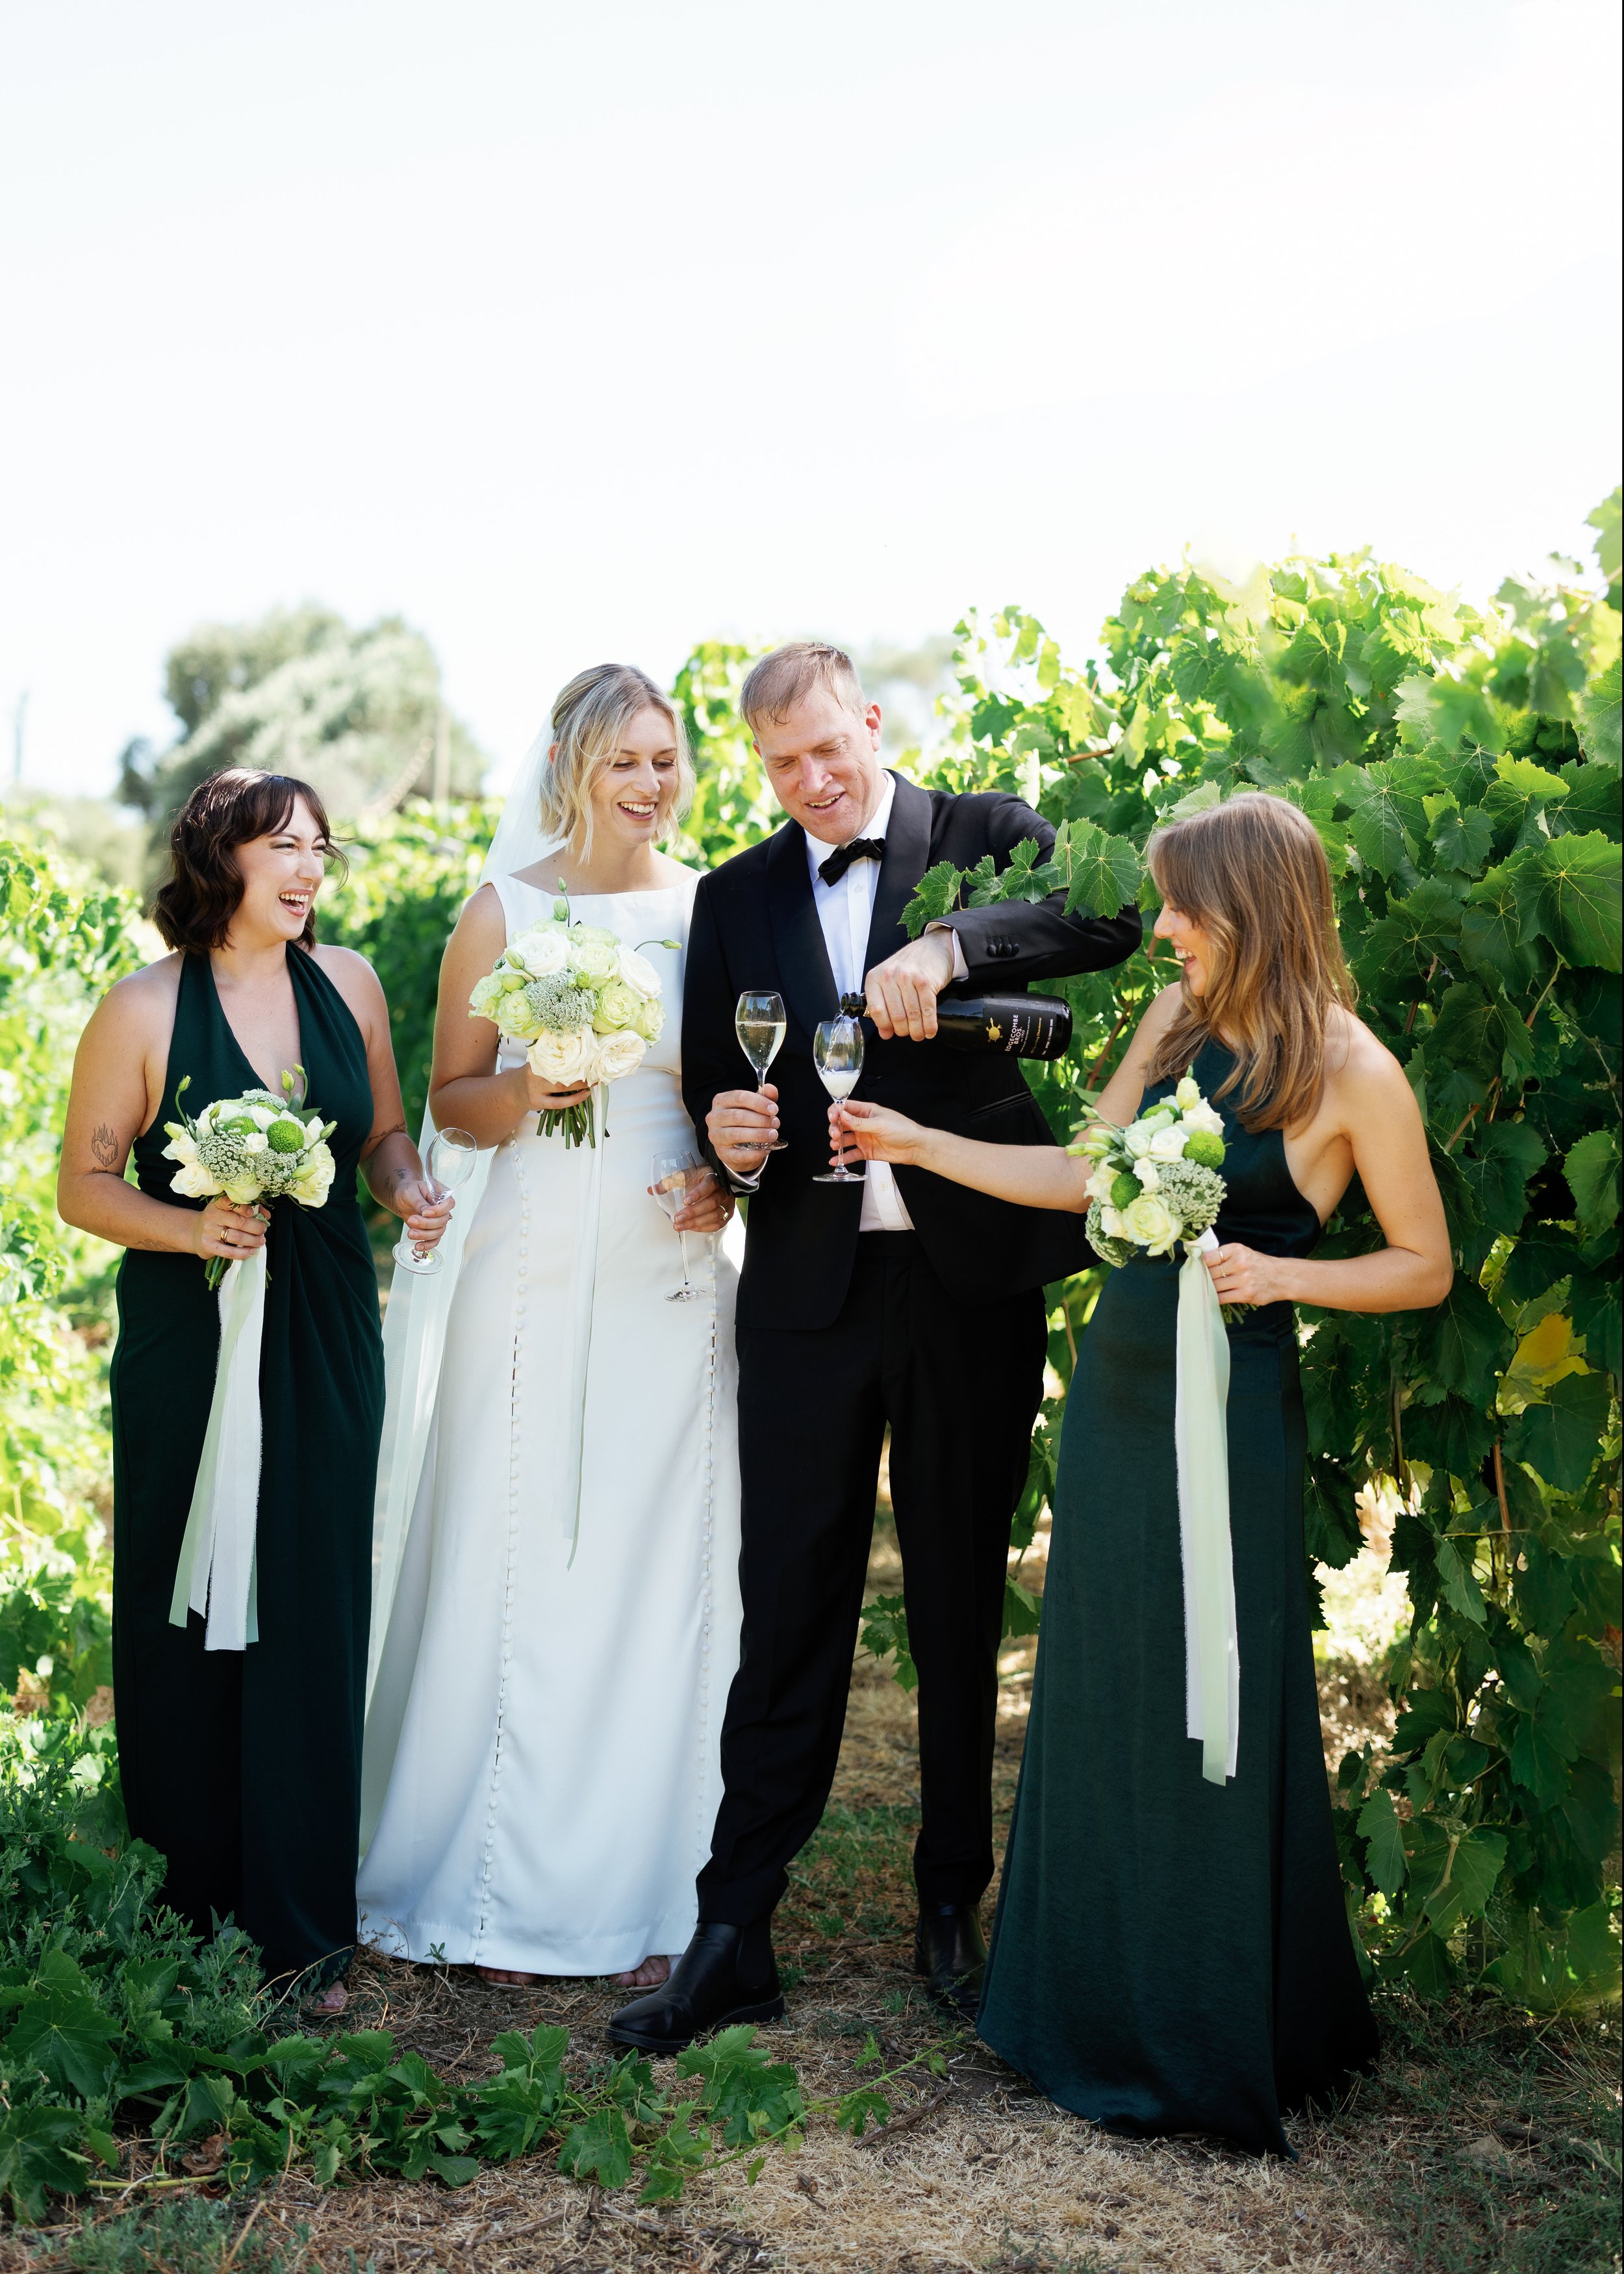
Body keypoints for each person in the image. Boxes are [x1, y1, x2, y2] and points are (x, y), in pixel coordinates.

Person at [828, 789, 1452, 2154]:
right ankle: (1079, 2009)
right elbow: (1087, 1172)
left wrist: (1280, 1270)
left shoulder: (1352, 1070)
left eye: (1181, 904)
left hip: (1229, 1400)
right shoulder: (1171, 1024)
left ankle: (1209, 2018)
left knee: (1211, 1685)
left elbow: (1424, 1263)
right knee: (1108, 1678)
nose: (1158, 926)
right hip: (1117, 1389)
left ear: (1252, 910)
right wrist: (922, 1146)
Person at [607, 642, 1141, 2052]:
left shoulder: (978, 835)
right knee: (787, 1605)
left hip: (965, 1281)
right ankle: (734, 1932)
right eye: (781, 764)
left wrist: (955, 943)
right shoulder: (734, 895)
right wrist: (726, 1129)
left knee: (961, 1598)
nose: (810, 781)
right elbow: (720, 1079)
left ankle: (949, 1906)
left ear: (870, 723)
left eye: (827, 750)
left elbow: (1108, 913)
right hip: (801, 1293)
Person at [358, 664, 742, 1989]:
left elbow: (739, 1085)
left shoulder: (708, 906)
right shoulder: (501, 910)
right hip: (528, 1253)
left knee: (659, 1556)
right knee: (515, 1544)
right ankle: (494, 1879)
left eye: (665, 760)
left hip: (665, 1254)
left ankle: (656, 1890)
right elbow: (451, 1101)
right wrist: (534, 1079)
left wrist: (723, 1173)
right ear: (571, 766)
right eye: (624, 761)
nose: (649, 785)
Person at [58, 770, 450, 2011]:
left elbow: (385, 1134)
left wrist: (408, 1190)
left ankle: (303, 1930)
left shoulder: (352, 987)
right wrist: (194, 1229)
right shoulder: (142, 1007)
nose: (308, 870)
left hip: (328, 1326)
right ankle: (188, 1915)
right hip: (189, 1334)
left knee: (313, 1604)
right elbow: (83, 1184)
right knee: (182, 1607)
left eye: (319, 849)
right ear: (217, 858)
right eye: (282, 846)